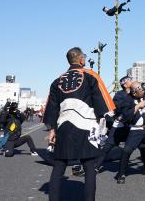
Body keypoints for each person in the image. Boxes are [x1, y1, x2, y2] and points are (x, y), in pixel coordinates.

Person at [44, 47, 115, 201]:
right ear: (81, 59)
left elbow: (52, 107)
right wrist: (106, 122)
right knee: (89, 167)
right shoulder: (90, 76)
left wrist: (51, 129)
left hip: (64, 127)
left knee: (59, 166)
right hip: (86, 126)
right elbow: (102, 103)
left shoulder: (57, 80)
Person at [115, 81, 145, 184]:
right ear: (134, 92)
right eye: (140, 89)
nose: (142, 90)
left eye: (142, 87)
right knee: (126, 151)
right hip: (136, 129)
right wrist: (138, 106)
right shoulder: (127, 100)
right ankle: (121, 173)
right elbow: (126, 115)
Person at [95, 75, 132, 170]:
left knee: (139, 146)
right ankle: (96, 166)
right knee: (108, 147)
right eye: (129, 80)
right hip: (119, 125)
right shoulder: (119, 95)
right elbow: (119, 108)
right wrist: (129, 96)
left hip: (131, 126)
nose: (132, 81)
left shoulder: (134, 94)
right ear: (124, 84)